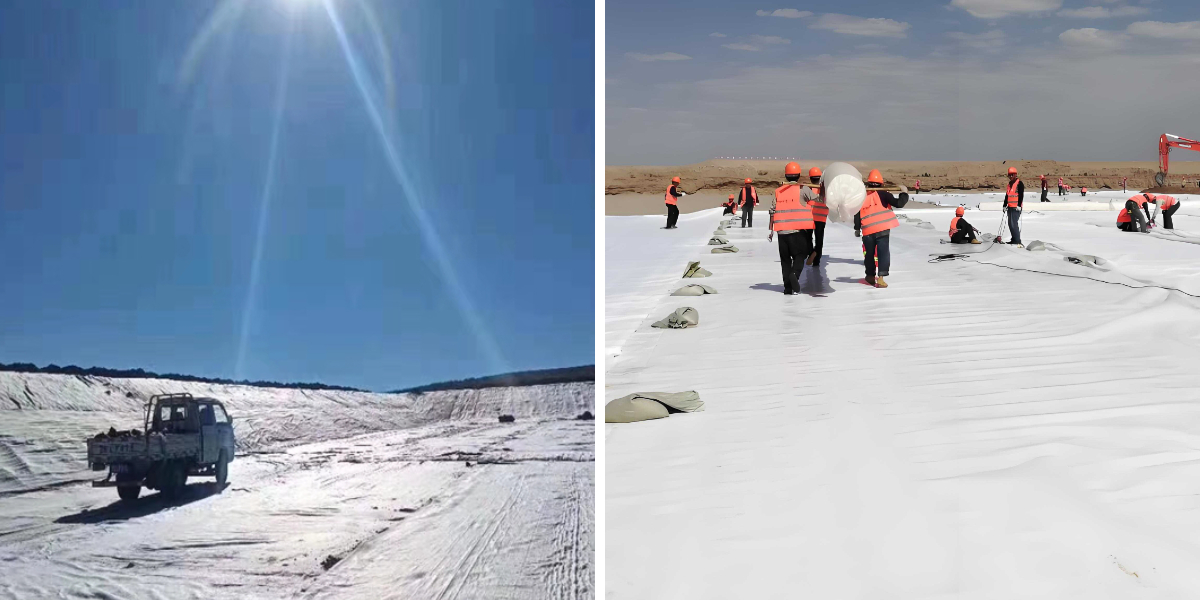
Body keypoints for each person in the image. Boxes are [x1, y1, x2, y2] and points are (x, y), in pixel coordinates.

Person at [767, 162, 815, 295]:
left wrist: (771, 229)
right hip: (797, 231)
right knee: (800, 255)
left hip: (781, 232)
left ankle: (787, 288)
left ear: (786, 175)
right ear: (799, 175)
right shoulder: (803, 189)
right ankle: (794, 274)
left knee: (785, 260)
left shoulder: (778, 191)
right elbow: (818, 199)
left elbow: (772, 211)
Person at [860, 169, 908, 288]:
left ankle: (870, 276)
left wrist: (856, 228)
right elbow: (899, 203)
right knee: (883, 253)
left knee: (869, 254)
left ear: (868, 183)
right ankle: (880, 278)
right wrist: (904, 193)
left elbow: (857, 213)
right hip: (882, 229)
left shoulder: (861, 195)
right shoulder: (884, 194)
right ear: (881, 183)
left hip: (867, 230)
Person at [806, 166, 827, 267]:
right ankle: (817, 260)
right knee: (819, 239)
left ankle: (811, 253)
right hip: (822, 218)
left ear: (810, 178)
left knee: (808, 238)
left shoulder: (808, 189)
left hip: (809, 217)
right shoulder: (824, 189)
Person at [1001, 167, 1024, 245]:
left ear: (1015, 175)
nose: (1010, 176)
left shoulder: (1019, 184)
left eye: (1012, 175)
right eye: (1009, 175)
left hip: (1016, 208)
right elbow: (1007, 196)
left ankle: (1017, 240)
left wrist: (1019, 205)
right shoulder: (1009, 185)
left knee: (1014, 223)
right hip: (1010, 207)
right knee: (1010, 224)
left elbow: (1021, 195)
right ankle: (1013, 239)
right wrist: (1004, 205)